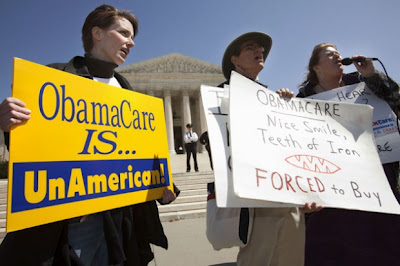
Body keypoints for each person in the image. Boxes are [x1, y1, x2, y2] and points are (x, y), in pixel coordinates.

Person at [0, 5, 178, 265]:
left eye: (133, 37)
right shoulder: (53, 79)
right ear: (97, 33)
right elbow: (35, 147)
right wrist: (10, 123)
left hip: (122, 218)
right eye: (124, 34)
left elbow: (134, 151)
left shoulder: (130, 94)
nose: (131, 43)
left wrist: (159, 182)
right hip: (75, 223)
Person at [218, 32, 320, 266]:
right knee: (259, 259)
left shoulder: (270, 96)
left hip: (287, 196)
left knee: (291, 258)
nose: (259, 52)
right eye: (251, 47)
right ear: (235, 59)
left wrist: (285, 110)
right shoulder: (221, 95)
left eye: (261, 50)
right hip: (255, 201)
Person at [297, 43, 400, 266]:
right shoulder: (302, 100)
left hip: (379, 185)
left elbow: (396, 99)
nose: (338, 56)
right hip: (333, 195)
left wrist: (372, 75)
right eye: (330, 54)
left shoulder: (364, 83)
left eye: (339, 53)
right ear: (315, 66)